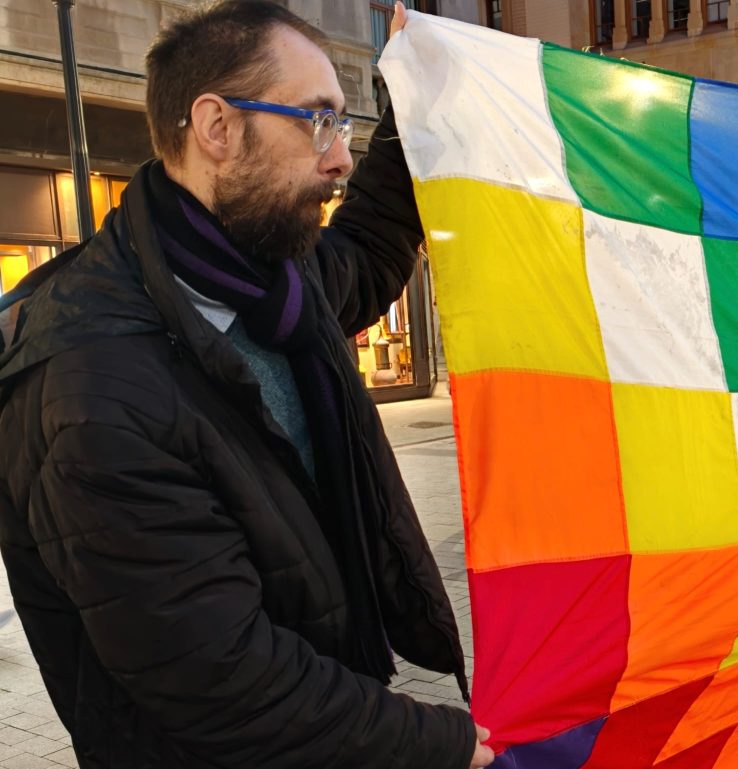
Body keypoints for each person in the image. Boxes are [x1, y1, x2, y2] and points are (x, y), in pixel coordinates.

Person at [0, 2, 494, 768]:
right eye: (319, 121)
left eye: (343, 125)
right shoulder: (91, 387)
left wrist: (409, 97)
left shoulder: (274, 279)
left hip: (329, 714)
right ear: (217, 127)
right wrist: (441, 743)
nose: (340, 158)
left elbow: (367, 245)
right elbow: (222, 680)